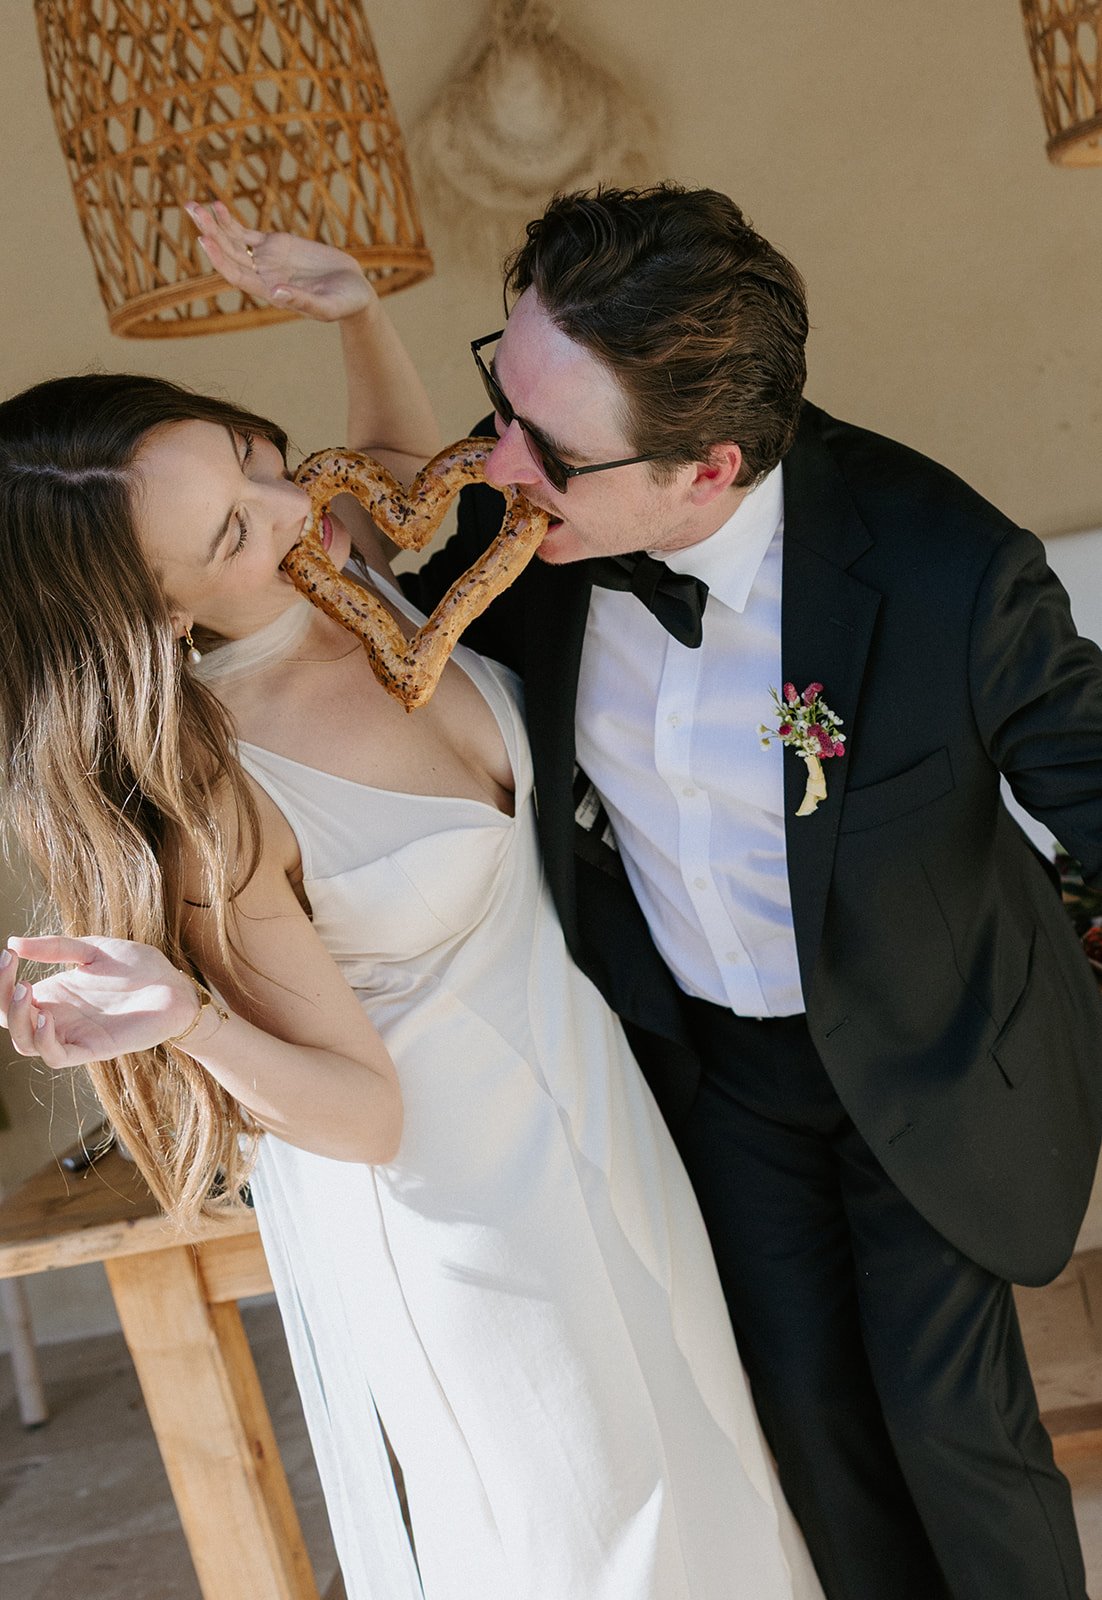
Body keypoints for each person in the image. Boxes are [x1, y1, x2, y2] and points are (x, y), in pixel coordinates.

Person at [0, 203, 822, 1600]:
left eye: (260, 460)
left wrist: (352, 312)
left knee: (718, 1484)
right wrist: (184, 1014)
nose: (289, 507)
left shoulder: (361, 581)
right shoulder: (220, 797)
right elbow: (361, 1115)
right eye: (235, 527)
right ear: (157, 605)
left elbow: (388, 470)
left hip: (597, 1120)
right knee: (601, 1552)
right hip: (465, 1214)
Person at [405, 182, 1102, 1600]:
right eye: (502, 398)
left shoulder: (942, 568)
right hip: (716, 1077)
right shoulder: (526, 544)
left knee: (945, 1429)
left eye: (547, 446)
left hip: (929, 1051)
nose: (499, 461)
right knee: (803, 1424)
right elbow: (377, 623)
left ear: (705, 469)